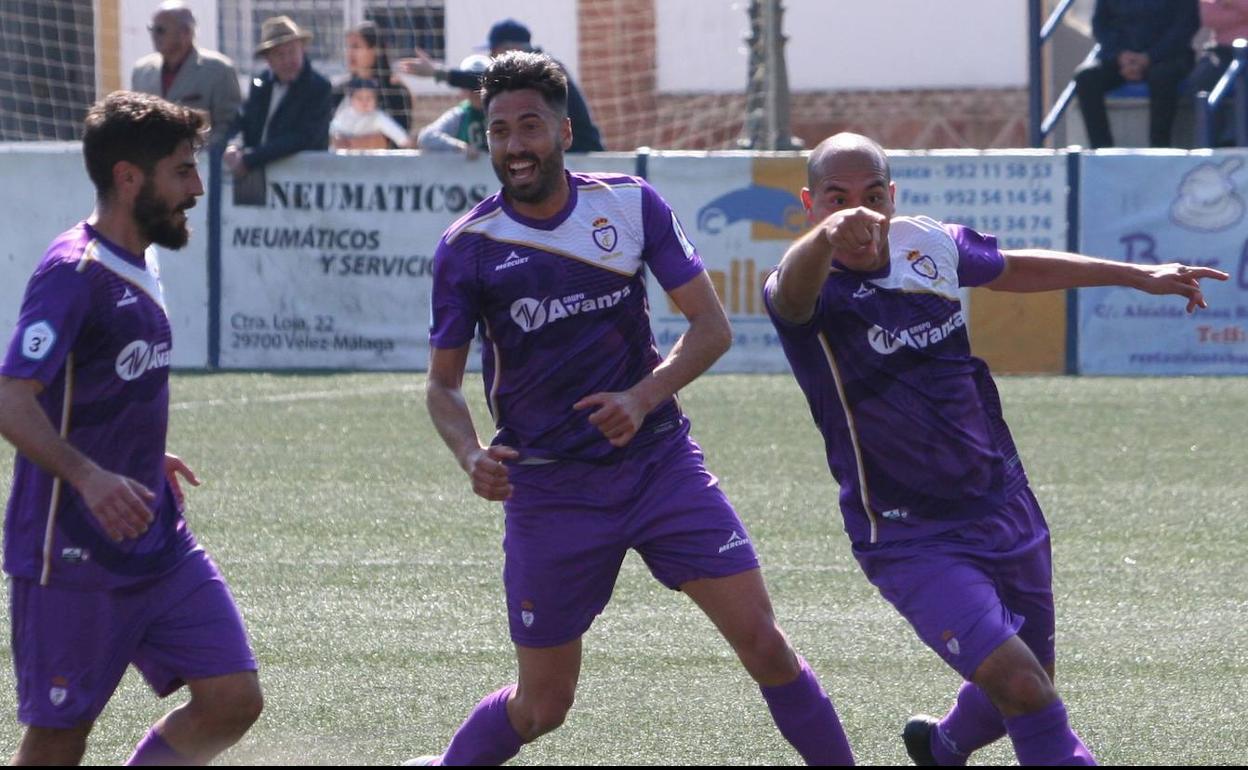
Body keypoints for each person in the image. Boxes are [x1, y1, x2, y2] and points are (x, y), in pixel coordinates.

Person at [416, 52, 854, 766]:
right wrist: (469, 453)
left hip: (658, 466)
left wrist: (642, 395)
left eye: (530, 126)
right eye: (499, 132)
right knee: (542, 707)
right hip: (551, 489)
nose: (516, 146)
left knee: (765, 644)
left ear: (563, 131)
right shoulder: (466, 250)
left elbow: (711, 329)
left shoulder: (629, 204)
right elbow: (441, 386)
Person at [764, 132, 1229, 766]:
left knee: (1030, 675)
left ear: (892, 197)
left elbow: (1014, 267)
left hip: (1001, 500)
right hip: (908, 532)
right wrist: (825, 238)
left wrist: (1137, 275)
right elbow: (789, 294)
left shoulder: (926, 244)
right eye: (837, 199)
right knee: (1022, 687)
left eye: (873, 196)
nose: (859, 214)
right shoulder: (806, 288)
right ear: (809, 205)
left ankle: (942, 746)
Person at [0, 91, 263, 766]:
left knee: (233, 697)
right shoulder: (73, 273)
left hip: (155, 538)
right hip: (71, 553)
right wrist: (88, 473)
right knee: (62, 734)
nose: (198, 188)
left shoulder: (138, 260)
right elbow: (11, 397)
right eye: (182, 170)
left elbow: (100, 385)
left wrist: (143, 451)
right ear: (129, 177)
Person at [397, 18, 604, 152]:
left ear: (508, 49)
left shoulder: (540, 68)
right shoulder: (541, 66)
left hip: (583, 158)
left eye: (493, 53)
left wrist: (437, 72)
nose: (492, 60)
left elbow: (484, 79)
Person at [1074, 0, 1201, 148]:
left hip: (1169, 57)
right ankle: (1102, 151)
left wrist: (1149, 57)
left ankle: (1160, 149)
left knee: (1162, 77)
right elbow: (1100, 24)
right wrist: (1120, 56)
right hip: (1121, 58)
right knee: (1086, 78)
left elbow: (1186, 25)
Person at [223, 15, 332, 177]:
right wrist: (234, 146)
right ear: (268, 59)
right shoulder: (261, 83)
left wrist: (250, 159)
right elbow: (242, 120)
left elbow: (303, 138)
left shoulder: (319, 88)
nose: (287, 60)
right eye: (280, 54)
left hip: (304, 180)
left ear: (302, 49)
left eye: (292, 51)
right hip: (258, 179)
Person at [130, 1, 241, 147]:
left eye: (160, 30)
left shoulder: (218, 70)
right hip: (152, 163)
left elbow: (228, 125)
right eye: (151, 29)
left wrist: (200, 154)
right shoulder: (142, 71)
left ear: (186, 32)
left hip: (198, 162)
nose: (154, 35)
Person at [330, 21, 411, 146]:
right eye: (348, 47)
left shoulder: (395, 91)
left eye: (356, 47)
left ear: (376, 50)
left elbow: (399, 139)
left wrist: (354, 143)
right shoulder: (338, 89)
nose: (350, 53)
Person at [1191, 0, 1248, 145]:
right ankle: (1213, 143)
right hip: (1221, 52)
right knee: (1203, 78)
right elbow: (1209, 18)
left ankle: (1237, 138)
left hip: (1244, 54)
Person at [415, 54, 489, 158]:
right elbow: (426, 138)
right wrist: (460, 147)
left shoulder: (500, 111)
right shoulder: (460, 114)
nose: (476, 92)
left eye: (480, 87)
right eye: (470, 86)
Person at [331, 77, 412, 149]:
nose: (364, 102)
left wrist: (403, 140)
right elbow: (334, 128)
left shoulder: (378, 116)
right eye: (359, 98)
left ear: (376, 100)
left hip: (369, 154)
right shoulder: (345, 114)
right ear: (351, 100)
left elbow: (392, 129)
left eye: (369, 98)